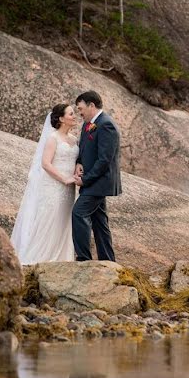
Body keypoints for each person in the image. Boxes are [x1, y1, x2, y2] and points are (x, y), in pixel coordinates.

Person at [10, 103, 79, 264]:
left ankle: (61, 259)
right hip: (54, 186)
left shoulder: (74, 140)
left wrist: (77, 169)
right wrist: (64, 179)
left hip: (69, 189)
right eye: (70, 114)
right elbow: (46, 164)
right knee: (49, 219)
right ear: (61, 118)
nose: (74, 116)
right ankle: (37, 259)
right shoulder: (53, 138)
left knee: (64, 220)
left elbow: (74, 160)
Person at [72, 91, 121, 262]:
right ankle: (108, 261)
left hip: (99, 182)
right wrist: (78, 162)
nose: (80, 112)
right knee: (99, 222)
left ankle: (83, 259)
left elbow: (104, 160)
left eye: (81, 108)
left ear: (91, 105)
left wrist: (85, 179)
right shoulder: (89, 124)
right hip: (93, 182)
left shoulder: (107, 125)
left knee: (78, 213)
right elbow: (84, 148)